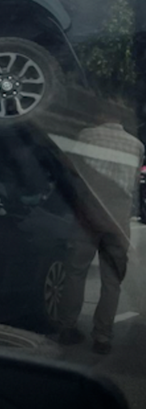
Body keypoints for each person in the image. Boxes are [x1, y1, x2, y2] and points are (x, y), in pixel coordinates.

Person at [56, 106, 144, 355]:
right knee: (112, 280)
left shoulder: (87, 136)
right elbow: (134, 183)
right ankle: (103, 337)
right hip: (118, 218)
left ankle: (67, 328)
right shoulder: (137, 145)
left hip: (89, 215)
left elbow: (74, 170)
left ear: (103, 115)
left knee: (75, 272)